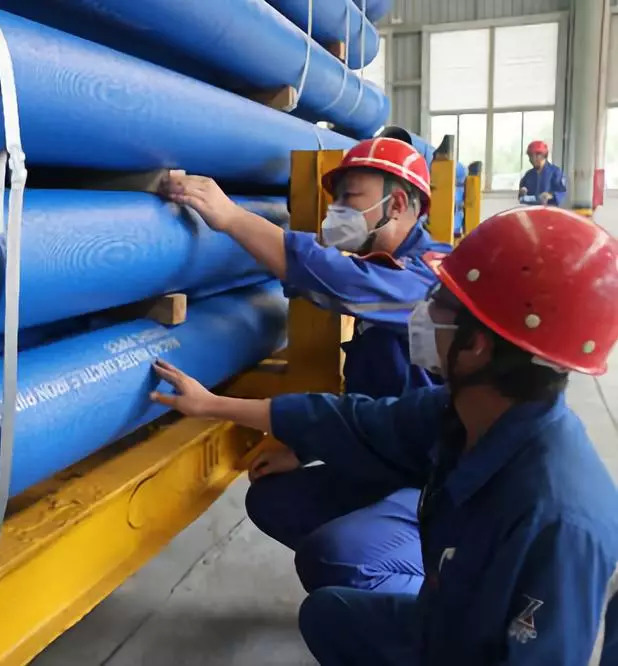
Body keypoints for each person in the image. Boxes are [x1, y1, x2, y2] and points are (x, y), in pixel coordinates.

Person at [150, 206, 618, 665]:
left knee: (346, 571)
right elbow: (352, 421)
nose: (424, 314)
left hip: (478, 649)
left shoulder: (560, 522)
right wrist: (212, 405)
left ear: (476, 345)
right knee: (328, 616)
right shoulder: (464, 412)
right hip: (448, 617)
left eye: (439, 303)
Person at [161, 137, 450, 594]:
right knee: (275, 500)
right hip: (392, 455)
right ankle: (373, 571)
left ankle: (437, 591)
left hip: (437, 480)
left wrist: (232, 217)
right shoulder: (385, 273)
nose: (337, 211)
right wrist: (302, 448)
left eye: (351, 197)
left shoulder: (430, 279)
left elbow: (341, 281)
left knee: (340, 557)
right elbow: (371, 397)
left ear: (396, 204)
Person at [519, 140, 566, 206]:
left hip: (548, 210)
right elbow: (521, 197)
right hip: (531, 210)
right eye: (530, 156)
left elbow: (561, 191)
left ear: (544, 155)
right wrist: (522, 192)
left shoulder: (555, 172)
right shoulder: (528, 175)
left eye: (536, 156)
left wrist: (550, 195)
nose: (533, 159)